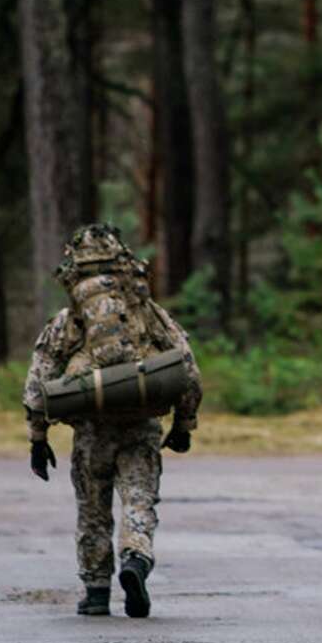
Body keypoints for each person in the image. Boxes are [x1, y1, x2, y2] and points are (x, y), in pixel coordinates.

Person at [23, 223, 202, 619]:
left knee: (92, 509)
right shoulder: (147, 314)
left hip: (91, 431)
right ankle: (136, 559)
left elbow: (40, 376)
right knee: (139, 499)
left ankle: (96, 591)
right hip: (140, 426)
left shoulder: (70, 320)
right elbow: (187, 367)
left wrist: (38, 438)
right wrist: (184, 425)